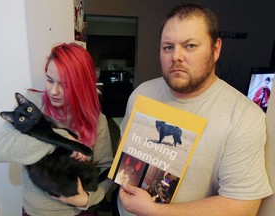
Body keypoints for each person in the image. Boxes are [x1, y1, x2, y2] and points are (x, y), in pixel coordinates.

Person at [116, 3, 273, 216]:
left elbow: (243, 207)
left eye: (190, 46)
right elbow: (123, 155)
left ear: (215, 49)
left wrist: (153, 211)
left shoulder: (244, 117)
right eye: (168, 47)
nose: (176, 56)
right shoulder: (141, 94)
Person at [0, 43, 113, 216]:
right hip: (36, 212)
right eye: (49, 80)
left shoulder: (97, 120)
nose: (53, 91)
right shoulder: (32, 105)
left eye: (65, 84)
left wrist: (87, 200)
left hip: (79, 212)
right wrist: (62, 140)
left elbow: (108, 169)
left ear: (81, 84)